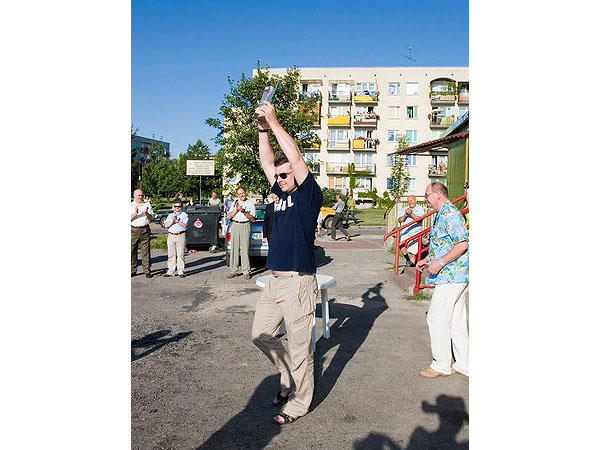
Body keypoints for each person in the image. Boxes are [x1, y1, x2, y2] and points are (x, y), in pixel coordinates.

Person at [253, 100, 323, 425]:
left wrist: (275, 121)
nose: (280, 178)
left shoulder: (308, 196)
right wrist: (261, 130)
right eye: (278, 176)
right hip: (274, 282)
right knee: (260, 334)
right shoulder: (279, 195)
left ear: (297, 174)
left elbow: (293, 156)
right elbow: (268, 160)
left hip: (298, 283)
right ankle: (285, 374)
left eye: (285, 175)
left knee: (300, 348)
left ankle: (299, 401)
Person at [416, 182, 469, 378]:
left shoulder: (450, 214)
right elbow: (444, 244)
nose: (425, 198)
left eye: (427, 194)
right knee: (456, 320)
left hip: (452, 275)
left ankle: (441, 364)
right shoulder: (442, 214)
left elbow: (462, 243)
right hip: (453, 274)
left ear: (438, 195)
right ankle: (464, 363)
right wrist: (428, 259)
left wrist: (440, 262)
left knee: (436, 317)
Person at [225, 187, 255, 280]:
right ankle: (233, 271)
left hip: (245, 225)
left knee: (245, 249)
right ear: (237, 195)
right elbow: (229, 215)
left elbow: (253, 218)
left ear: (245, 193)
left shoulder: (250, 202)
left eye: (242, 193)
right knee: (234, 249)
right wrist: (236, 210)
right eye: (239, 194)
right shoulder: (234, 202)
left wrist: (244, 212)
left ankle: (246, 271)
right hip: (235, 224)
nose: (241, 195)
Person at [131, 189, 154, 278]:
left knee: (146, 251)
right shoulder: (130, 205)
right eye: (139, 195)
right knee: (132, 250)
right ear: (134, 196)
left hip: (145, 229)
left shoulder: (147, 204)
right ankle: (133, 269)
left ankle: (147, 270)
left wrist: (146, 213)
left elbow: (151, 218)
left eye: (142, 195)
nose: (140, 197)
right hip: (133, 230)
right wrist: (135, 213)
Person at [163, 198, 189, 278]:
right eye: (176, 206)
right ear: (173, 206)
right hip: (171, 235)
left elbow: (185, 225)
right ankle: (171, 271)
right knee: (171, 254)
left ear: (181, 207)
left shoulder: (184, 215)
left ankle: (180, 271)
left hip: (180, 235)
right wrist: (172, 221)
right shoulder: (170, 215)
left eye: (179, 206)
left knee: (180, 254)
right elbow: (166, 225)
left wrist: (177, 221)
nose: (177, 208)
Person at [397, 195, 426, 267]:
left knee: (413, 253)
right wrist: (405, 215)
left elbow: (419, 219)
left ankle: (411, 267)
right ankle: (408, 260)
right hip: (405, 232)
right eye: (408, 201)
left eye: (411, 200)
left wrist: (411, 214)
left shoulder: (420, 209)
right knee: (401, 245)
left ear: (415, 200)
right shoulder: (404, 209)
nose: (410, 202)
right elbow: (399, 220)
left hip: (415, 233)